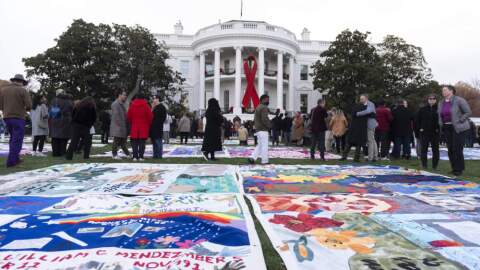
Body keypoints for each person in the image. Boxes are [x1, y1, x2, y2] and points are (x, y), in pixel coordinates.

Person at [438, 85, 472, 176]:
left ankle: (459, 169)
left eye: (445, 90)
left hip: (459, 128)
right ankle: (454, 168)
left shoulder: (459, 100)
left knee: (457, 148)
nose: (443, 92)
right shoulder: (441, 102)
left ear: (451, 91)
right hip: (447, 128)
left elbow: (468, 112)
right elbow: (439, 114)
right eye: (442, 90)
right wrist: (441, 123)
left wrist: (460, 120)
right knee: (450, 149)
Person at [0, 74, 32, 167]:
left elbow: (0, 105)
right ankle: (12, 162)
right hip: (18, 117)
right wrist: (25, 110)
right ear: (21, 81)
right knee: (17, 140)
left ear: (14, 80)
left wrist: (6, 110)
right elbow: (29, 105)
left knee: (12, 139)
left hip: (6, 117)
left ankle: (15, 158)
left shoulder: (3, 90)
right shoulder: (22, 90)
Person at [416, 94, 440, 170]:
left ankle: (435, 166)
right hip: (424, 132)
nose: (431, 100)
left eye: (433, 99)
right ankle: (424, 165)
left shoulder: (439, 109)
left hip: (435, 132)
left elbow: (441, 120)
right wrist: (420, 128)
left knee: (435, 150)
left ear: (436, 100)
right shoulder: (422, 109)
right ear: (428, 100)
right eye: (430, 98)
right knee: (424, 149)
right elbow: (417, 120)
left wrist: (438, 129)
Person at [127, 93, 153, 161]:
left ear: (136, 98)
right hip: (143, 126)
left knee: (134, 142)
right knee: (142, 142)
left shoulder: (132, 105)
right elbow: (150, 117)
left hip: (134, 126)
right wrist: (148, 124)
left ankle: (135, 156)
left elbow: (129, 116)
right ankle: (141, 156)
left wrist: (132, 122)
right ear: (143, 98)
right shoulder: (146, 106)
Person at [248, 95, 272, 165]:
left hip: (258, 129)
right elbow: (264, 119)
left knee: (260, 145)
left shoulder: (258, 107)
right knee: (264, 145)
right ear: (263, 100)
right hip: (263, 129)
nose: (268, 101)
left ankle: (252, 158)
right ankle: (264, 161)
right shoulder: (264, 107)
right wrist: (270, 125)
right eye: (267, 99)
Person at [49, 89, 73, 157]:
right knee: (63, 138)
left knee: (55, 137)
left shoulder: (54, 100)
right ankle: (62, 152)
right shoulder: (68, 100)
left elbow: (50, 110)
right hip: (65, 121)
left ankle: (55, 153)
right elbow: (71, 109)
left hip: (54, 120)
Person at [356, 94, 378, 162]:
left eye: (362, 99)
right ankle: (375, 156)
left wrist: (358, 113)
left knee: (370, 141)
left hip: (370, 125)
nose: (361, 100)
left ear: (366, 98)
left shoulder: (370, 104)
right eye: (360, 99)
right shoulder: (365, 104)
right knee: (372, 140)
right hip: (368, 124)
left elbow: (368, 111)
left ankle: (370, 158)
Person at [110, 91, 131, 159]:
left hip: (122, 126)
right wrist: (121, 125)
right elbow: (116, 117)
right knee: (116, 141)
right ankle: (114, 155)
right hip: (118, 126)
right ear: (119, 95)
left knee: (122, 142)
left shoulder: (121, 104)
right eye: (124, 95)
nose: (125, 96)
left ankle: (127, 154)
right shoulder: (115, 104)